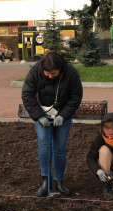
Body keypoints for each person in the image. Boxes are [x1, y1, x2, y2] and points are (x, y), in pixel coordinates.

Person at [22, 51, 83, 197]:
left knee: (59, 147)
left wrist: (63, 116)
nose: (50, 76)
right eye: (47, 73)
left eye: (54, 73)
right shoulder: (35, 71)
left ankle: (59, 181)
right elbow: (27, 95)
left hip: (62, 114)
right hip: (43, 113)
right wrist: (39, 116)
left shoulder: (71, 73)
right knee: (44, 144)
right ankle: (46, 181)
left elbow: (76, 97)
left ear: (60, 69)